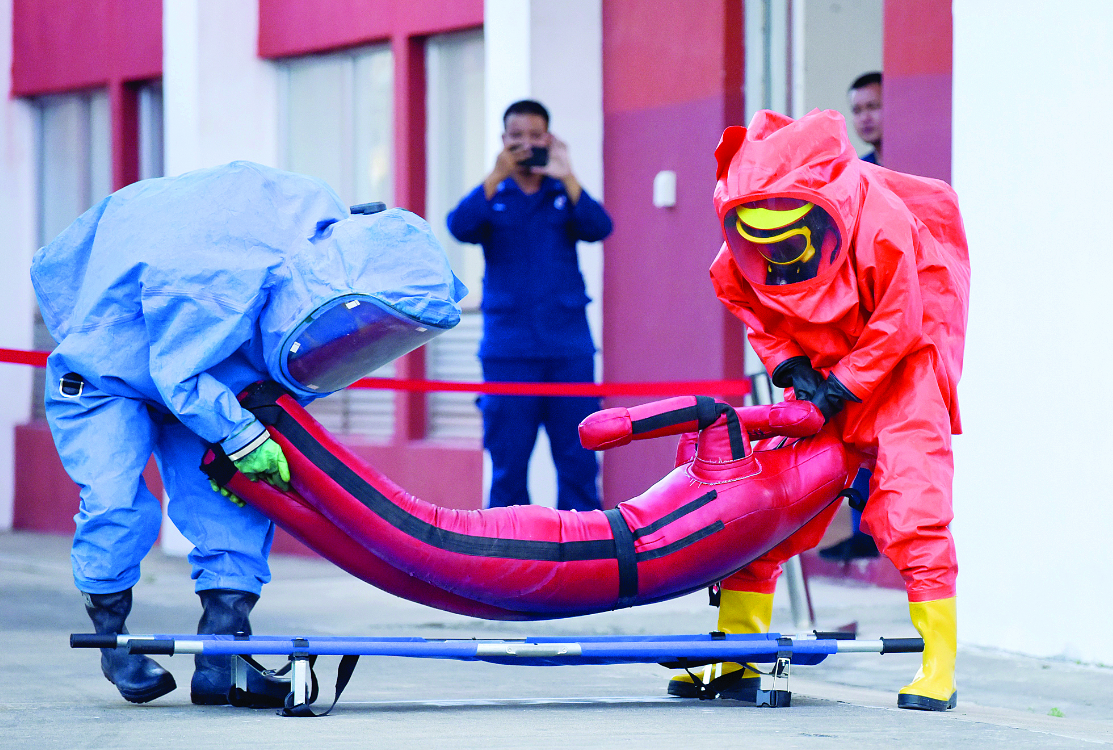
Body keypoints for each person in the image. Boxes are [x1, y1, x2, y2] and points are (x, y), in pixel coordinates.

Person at [31, 161, 465, 705]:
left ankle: (224, 657)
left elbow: (251, 354)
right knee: (113, 503)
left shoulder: (318, 251)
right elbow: (177, 372)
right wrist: (243, 437)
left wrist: (248, 434)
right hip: (108, 372)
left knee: (234, 508)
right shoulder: (217, 276)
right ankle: (114, 644)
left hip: (214, 370)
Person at [668, 109, 970, 711]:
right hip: (820, 382)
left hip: (900, 377)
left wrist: (844, 385)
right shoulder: (743, 241)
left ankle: (938, 665)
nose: (775, 252)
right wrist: (789, 366)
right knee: (758, 507)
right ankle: (736, 657)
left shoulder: (880, 223)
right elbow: (747, 302)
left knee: (915, 508)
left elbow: (901, 320)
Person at [447, 100, 613, 511]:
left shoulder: (562, 192)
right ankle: (510, 548)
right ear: (503, 140)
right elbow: (459, 226)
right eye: (516, 137)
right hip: (509, 353)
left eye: (535, 136)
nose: (525, 145)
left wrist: (567, 174)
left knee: (578, 461)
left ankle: (584, 546)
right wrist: (495, 176)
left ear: (549, 139)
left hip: (568, 351)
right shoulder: (494, 194)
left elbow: (599, 227)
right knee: (508, 466)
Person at [818, 71, 886, 562]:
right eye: (857, 109)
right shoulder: (858, 174)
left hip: (899, 316)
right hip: (865, 315)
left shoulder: (904, 169)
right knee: (860, 425)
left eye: (874, 106)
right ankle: (863, 525)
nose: (865, 117)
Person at [849, 71, 883, 165]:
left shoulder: (915, 161)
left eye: (872, 107)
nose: (864, 118)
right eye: (857, 110)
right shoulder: (860, 168)